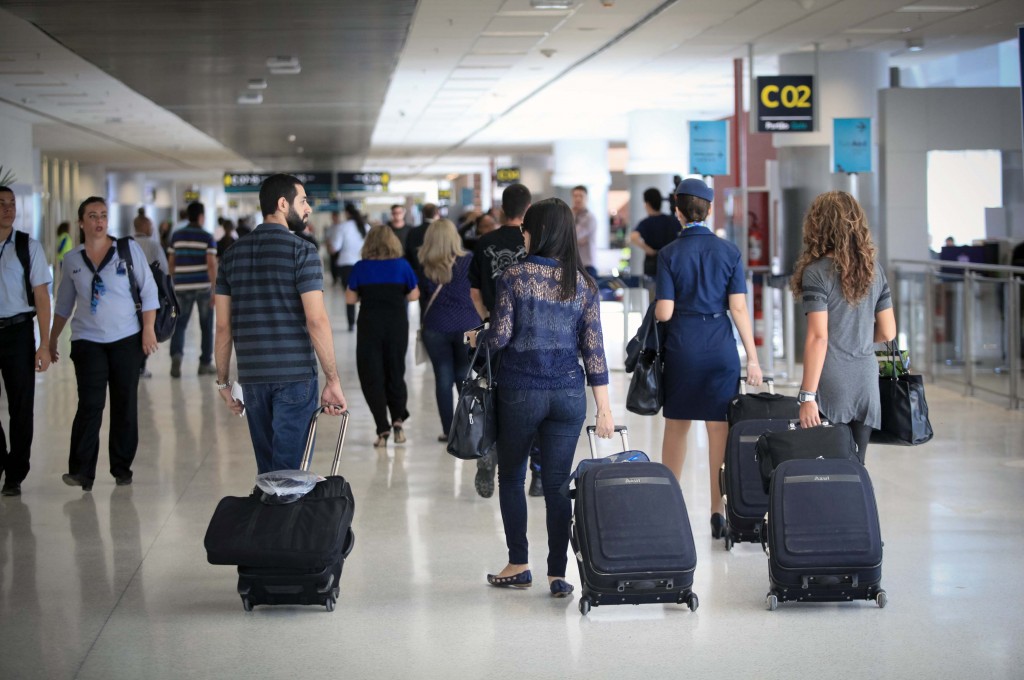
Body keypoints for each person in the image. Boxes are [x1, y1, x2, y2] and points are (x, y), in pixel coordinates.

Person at [472, 197, 613, 598]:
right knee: (555, 484)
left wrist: (475, 337)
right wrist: (604, 407)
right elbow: (595, 350)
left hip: (521, 392)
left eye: (526, 229)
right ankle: (557, 574)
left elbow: (498, 337)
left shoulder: (515, 276)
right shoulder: (583, 283)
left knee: (512, 476)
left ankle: (519, 564)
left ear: (535, 232)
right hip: (568, 394)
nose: (523, 234)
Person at [214, 174, 347, 474]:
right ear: (282, 203)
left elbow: (223, 327)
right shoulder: (303, 251)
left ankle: (271, 519)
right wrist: (333, 380)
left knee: (268, 473)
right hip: (295, 376)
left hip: (252, 378)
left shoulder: (231, 255)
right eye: (303, 201)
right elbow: (316, 320)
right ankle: (284, 519)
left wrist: (223, 382)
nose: (308, 208)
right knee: (290, 475)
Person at [655, 178, 762, 540]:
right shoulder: (730, 252)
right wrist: (753, 358)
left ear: (678, 211)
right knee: (719, 430)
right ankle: (718, 510)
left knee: (677, 427)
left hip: (683, 346)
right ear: (710, 209)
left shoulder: (669, 254)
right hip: (720, 349)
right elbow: (738, 308)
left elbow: (665, 312)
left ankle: (668, 506)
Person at [49, 196, 159, 491]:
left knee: (124, 404)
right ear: (81, 222)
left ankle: (121, 467)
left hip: (126, 339)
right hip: (88, 341)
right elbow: (64, 304)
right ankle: (82, 471)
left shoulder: (127, 249)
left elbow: (149, 292)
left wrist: (148, 330)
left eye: (103, 215)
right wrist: (50, 340)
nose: (99, 221)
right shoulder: (72, 259)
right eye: (92, 215)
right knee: (90, 404)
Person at [792, 190, 897, 461]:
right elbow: (888, 331)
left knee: (826, 474)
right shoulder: (874, 270)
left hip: (831, 384)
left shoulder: (816, 273)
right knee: (856, 468)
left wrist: (806, 396)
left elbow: (818, 337)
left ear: (817, 225)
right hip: (865, 382)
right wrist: (857, 336)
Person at [467, 183, 540, 499]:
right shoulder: (537, 242)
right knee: (535, 400)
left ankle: (487, 452)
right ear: (528, 208)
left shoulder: (484, 241)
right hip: (532, 335)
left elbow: (473, 291)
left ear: (501, 208)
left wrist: (488, 318)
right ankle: (537, 472)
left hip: (494, 335)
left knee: (492, 395)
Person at [0, 186, 53, 497]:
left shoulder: (27, 246)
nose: (8, 209)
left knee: (21, 407)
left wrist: (44, 344)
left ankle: (15, 473)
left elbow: (42, 297)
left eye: (12, 204)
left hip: (18, 332)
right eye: (2, 204)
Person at [346, 225, 419, 447]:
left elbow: (350, 299)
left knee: (372, 375)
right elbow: (414, 295)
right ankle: (398, 420)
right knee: (396, 370)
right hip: (396, 324)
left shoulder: (360, 267)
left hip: (370, 326)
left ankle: (382, 428)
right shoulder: (402, 265)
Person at [418, 219, 482, 441]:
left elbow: (423, 298)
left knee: (442, 379)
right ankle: (468, 429)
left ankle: (448, 431)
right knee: (465, 376)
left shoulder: (425, 264)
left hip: (436, 326)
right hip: (467, 326)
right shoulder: (469, 260)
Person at [168, 201, 217, 378]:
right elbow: (211, 264)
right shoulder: (207, 236)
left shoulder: (176, 235)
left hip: (181, 285)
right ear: (201, 216)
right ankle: (204, 363)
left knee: (179, 325)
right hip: (202, 286)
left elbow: (171, 262)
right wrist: (214, 289)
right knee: (206, 326)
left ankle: (176, 356)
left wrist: (171, 285)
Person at [132, 214, 169, 379]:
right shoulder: (154, 245)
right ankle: (141, 365)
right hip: (148, 295)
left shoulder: (125, 243)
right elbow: (164, 269)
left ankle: (134, 364)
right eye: (150, 225)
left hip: (129, 294)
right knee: (147, 328)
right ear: (145, 227)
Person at [630, 187, 680, 280]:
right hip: (671, 261)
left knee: (653, 290)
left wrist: (649, 250)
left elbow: (633, 237)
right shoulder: (671, 220)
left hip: (653, 263)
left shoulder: (646, 222)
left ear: (647, 204)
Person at [403, 203, 438, 320]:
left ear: (422, 214)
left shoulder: (414, 231)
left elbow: (407, 252)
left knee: (423, 304)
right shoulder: (440, 232)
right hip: (438, 273)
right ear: (436, 213)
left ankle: (424, 328)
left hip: (419, 273)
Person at [571, 185, 598, 278]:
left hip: (587, 265)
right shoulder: (570, 215)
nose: (578, 199)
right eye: (575, 196)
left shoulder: (589, 218)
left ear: (586, 198)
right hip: (572, 264)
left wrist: (569, 240)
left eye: (581, 196)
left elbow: (574, 235)